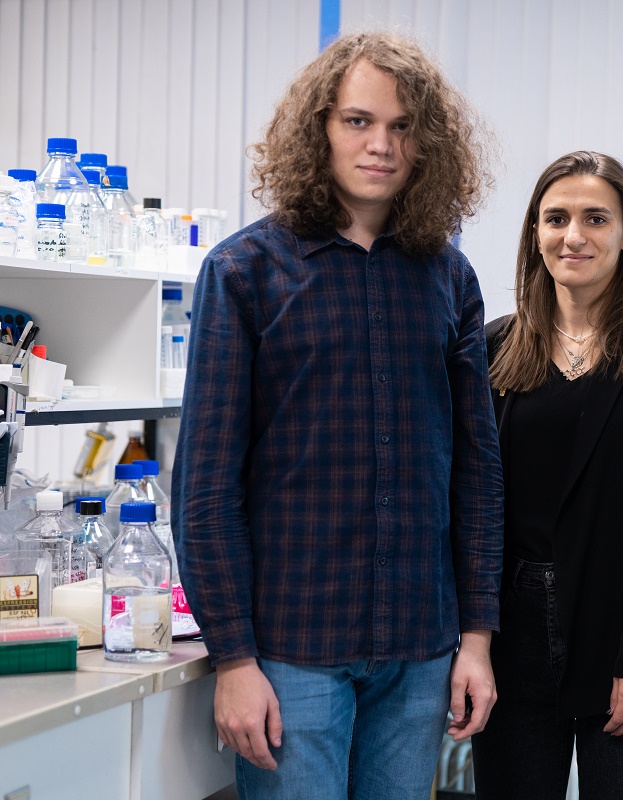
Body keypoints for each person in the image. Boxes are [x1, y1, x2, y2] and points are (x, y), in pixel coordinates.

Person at [171, 32, 503, 800]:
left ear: (427, 145)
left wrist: (477, 639)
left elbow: (477, 476)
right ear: (318, 128)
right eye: (359, 121)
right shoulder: (243, 272)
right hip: (292, 651)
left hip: (420, 649)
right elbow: (207, 489)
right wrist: (234, 659)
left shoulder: (450, 279)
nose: (381, 145)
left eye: (402, 127)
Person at [471, 151, 623, 800]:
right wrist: (472, 643)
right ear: (535, 234)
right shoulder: (493, 348)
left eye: (595, 218)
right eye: (556, 219)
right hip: (511, 637)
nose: (573, 236)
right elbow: (474, 507)